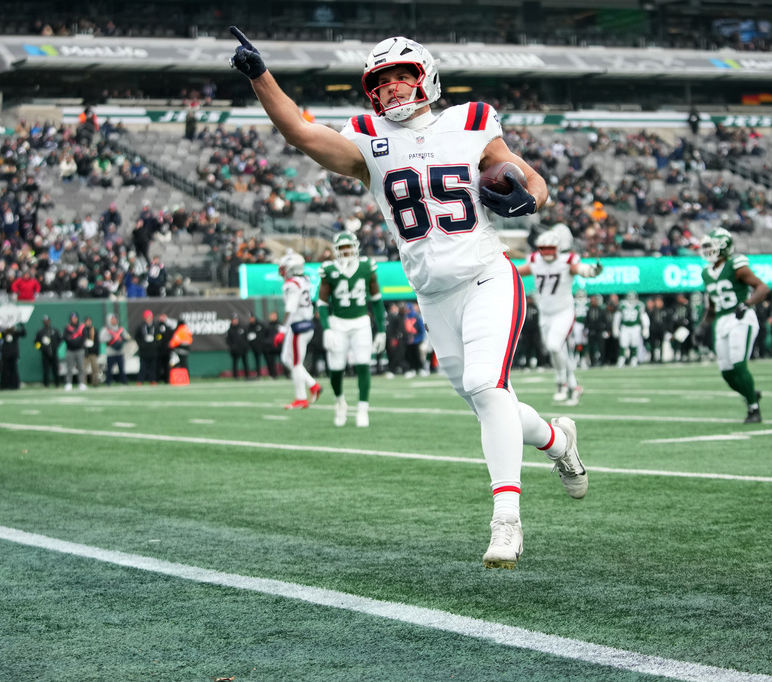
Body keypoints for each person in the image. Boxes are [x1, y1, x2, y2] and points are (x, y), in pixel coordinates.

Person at [230, 29, 587, 568]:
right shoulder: (367, 138)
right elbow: (301, 132)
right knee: (490, 401)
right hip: (432, 294)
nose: (394, 89)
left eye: (402, 77)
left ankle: (506, 521)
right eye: (383, 82)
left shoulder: (470, 122)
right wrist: (261, 76)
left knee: (485, 386)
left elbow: (530, 178)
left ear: (426, 77)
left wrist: (529, 199)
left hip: (488, 274)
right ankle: (557, 440)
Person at [514, 228, 601, 405]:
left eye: (550, 248)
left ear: (558, 248)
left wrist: (592, 271)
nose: (546, 252)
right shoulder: (534, 260)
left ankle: (561, 382)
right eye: (543, 248)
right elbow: (517, 271)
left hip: (564, 311)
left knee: (555, 346)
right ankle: (575, 387)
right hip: (545, 314)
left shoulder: (566, 260)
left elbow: (579, 269)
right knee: (557, 351)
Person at [696, 227, 770, 423]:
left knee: (738, 364)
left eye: (711, 246)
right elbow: (712, 305)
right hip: (721, 320)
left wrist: (747, 303)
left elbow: (762, 288)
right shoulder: (706, 273)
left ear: (724, 247)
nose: (707, 250)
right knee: (727, 373)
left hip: (740, 318)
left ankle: (754, 409)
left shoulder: (736, 265)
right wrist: (703, 326)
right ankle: (751, 393)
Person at [318, 231, 386, 427]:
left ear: (355, 248)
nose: (346, 252)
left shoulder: (366, 266)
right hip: (338, 323)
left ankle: (363, 409)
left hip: (361, 323)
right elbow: (322, 303)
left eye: (349, 247)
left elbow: (376, 299)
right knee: (336, 368)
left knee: (363, 363)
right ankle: (340, 403)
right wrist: (327, 328)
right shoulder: (329, 269)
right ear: (336, 250)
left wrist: (381, 329)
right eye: (342, 248)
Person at [278, 252, 322, 408]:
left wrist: (282, 330)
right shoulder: (305, 280)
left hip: (299, 325)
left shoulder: (292, 284)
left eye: (284, 269)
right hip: (301, 323)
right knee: (286, 359)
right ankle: (313, 385)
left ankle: (301, 397)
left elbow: (290, 308)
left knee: (296, 363)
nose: (282, 272)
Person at [615, 291, 649, 368]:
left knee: (635, 343)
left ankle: (634, 358)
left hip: (635, 327)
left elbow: (644, 317)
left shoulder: (639, 305)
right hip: (625, 327)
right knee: (623, 343)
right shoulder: (622, 305)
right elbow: (617, 317)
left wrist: (646, 327)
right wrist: (615, 327)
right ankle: (622, 358)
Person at [0, 313, 25, 390]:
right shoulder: (4, 333)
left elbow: (23, 333)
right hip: (5, 355)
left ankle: (14, 385)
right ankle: (4, 386)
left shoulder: (15, 333)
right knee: (4, 371)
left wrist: (22, 326)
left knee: (13, 371)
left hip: (13, 355)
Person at [34, 315, 62, 387]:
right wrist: (41, 348)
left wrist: (55, 346)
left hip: (54, 353)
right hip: (45, 354)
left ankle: (57, 383)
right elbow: (36, 342)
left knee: (55, 369)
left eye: (47, 321)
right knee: (45, 370)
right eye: (45, 321)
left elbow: (60, 339)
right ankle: (46, 384)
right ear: (43, 322)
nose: (46, 322)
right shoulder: (40, 332)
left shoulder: (54, 330)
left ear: (49, 321)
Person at [103, 314, 131, 385]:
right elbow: (102, 338)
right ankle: (108, 381)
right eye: (112, 319)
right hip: (110, 352)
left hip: (119, 352)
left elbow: (128, 337)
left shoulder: (120, 329)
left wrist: (123, 339)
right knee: (109, 369)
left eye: (115, 319)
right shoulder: (106, 330)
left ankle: (124, 381)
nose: (114, 321)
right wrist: (111, 339)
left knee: (121, 368)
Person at [62, 312, 88, 391]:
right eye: (72, 318)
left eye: (75, 318)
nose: (74, 320)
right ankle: (69, 383)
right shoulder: (67, 328)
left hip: (79, 350)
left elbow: (84, 338)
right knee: (69, 367)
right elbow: (66, 338)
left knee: (81, 367)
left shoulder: (81, 327)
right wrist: (73, 342)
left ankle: (81, 383)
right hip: (70, 350)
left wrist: (77, 342)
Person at [135, 310, 161, 385]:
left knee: (153, 367)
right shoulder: (140, 327)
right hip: (144, 351)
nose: (149, 319)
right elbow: (137, 338)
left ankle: (152, 380)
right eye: (147, 317)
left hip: (153, 351)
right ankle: (140, 380)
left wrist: (155, 344)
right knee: (143, 367)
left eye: (150, 317)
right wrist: (142, 345)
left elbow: (159, 337)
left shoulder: (156, 326)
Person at [225, 313, 250, 379]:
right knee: (235, 363)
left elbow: (246, 338)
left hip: (243, 349)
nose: (235, 321)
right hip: (235, 350)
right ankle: (235, 376)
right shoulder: (230, 330)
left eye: (236, 320)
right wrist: (233, 347)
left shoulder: (242, 328)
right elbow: (228, 340)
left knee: (245, 362)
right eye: (233, 320)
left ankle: (247, 376)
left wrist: (245, 346)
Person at [246, 312, 266, 378]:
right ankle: (258, 373)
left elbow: (265, 334)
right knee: (257, 360)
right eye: (249, 318)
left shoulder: (260, 324)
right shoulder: (248, 327)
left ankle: (271, 373)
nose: (251, 319)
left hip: (263, 346)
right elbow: (248, 337)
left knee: (267, 359)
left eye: (252, 317)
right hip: (254, 347)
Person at [83, 316, 100, 387]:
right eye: (87, 321)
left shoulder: (94, 330)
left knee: (95, 368)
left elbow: (97, 341)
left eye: (89, 321)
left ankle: (95, 382)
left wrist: (97, 351)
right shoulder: (82, 330)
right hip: (85, 353)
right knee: (83, 369)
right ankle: (83, 383)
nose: (88, 322)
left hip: (93, 352)